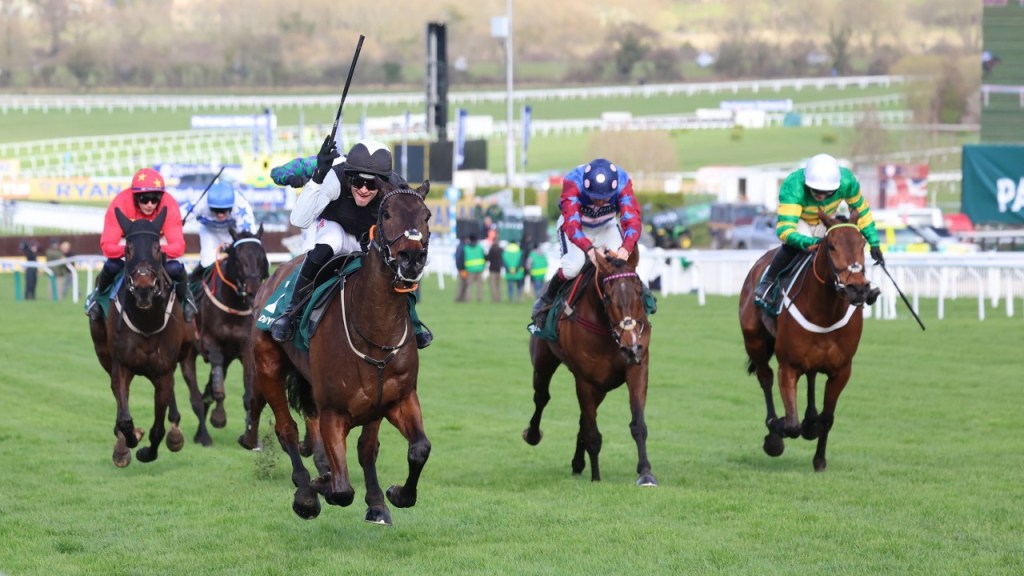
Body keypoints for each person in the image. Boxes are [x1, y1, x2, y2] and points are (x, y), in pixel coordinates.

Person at [269, 136, 433, 348]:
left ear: (383, 182)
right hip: (334, 226)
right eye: (358, 182)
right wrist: (316, 177)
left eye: (371, 184)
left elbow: (414, 227)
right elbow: (299, 220)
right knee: (330, 244)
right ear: (349, 176)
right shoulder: (334, 175)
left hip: (367, 236)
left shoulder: (396, 188)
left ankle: (413, 321)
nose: (364, 189)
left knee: (393, 264)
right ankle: (290, 312)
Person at [753, 153, 883, 308]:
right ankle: (768, 281)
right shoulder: (793, 185)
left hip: (825, 220)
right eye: (816, 191)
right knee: (796, 246)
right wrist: (811, 242)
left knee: (845, 244)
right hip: (799, 221)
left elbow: (862, 213)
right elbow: (785, 231)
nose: (821, 196)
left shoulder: (847, 181)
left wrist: (874, 243)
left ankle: (861, 285)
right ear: (807, 185)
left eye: (827, 193)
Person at [532, 158, 643, 326]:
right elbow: (572, 225)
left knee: (621, 266)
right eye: (595, 198)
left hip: (606, 226)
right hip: (577, 228)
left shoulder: (623, 181)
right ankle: (546, 298)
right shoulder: (572, 181)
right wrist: (590, 250)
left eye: (604, 198)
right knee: (573, 268)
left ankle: (643, 297)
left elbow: (632, 220)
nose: (599, 202)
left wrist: (626, 249)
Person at [85, 167, 196, 322]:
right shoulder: (120, 204)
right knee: (111, 267)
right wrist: (135, 249)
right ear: (135, 197)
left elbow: (178, 247)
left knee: (175, 268)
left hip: (156, 246)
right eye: (144, 199)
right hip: (129, 245)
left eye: (155, 199)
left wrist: (149, 250)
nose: (150, 204)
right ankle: (97, 299)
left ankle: (188, 301)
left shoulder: (168, 204)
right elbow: (107, 246)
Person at [180, 181, 256, 282]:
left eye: (224, 210)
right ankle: (197, 285)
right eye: (215, 209)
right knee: (207, 263)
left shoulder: (241, 205)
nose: (220, 214)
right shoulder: (201, 202)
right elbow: (177, 216)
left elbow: (249, 238)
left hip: (232, 232)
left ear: (231, 206)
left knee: (242, 260)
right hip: (209, 231)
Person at [462, 234, 486, 302]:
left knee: (469, 285)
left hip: (470, 269)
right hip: (479, 268)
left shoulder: (466, 247)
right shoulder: (480, 247)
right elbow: (484, 256)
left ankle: (468, 299)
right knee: (479, 286)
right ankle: (479, 299)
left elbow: (464, 258)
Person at [486, 238, 504, 302]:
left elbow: (488, 258)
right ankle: (499, 298)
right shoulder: (501, 249)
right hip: (499, 269)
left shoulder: (491, 249)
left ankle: (494, 298)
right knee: (498, 285)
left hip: (492, 269)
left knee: (493, 285)